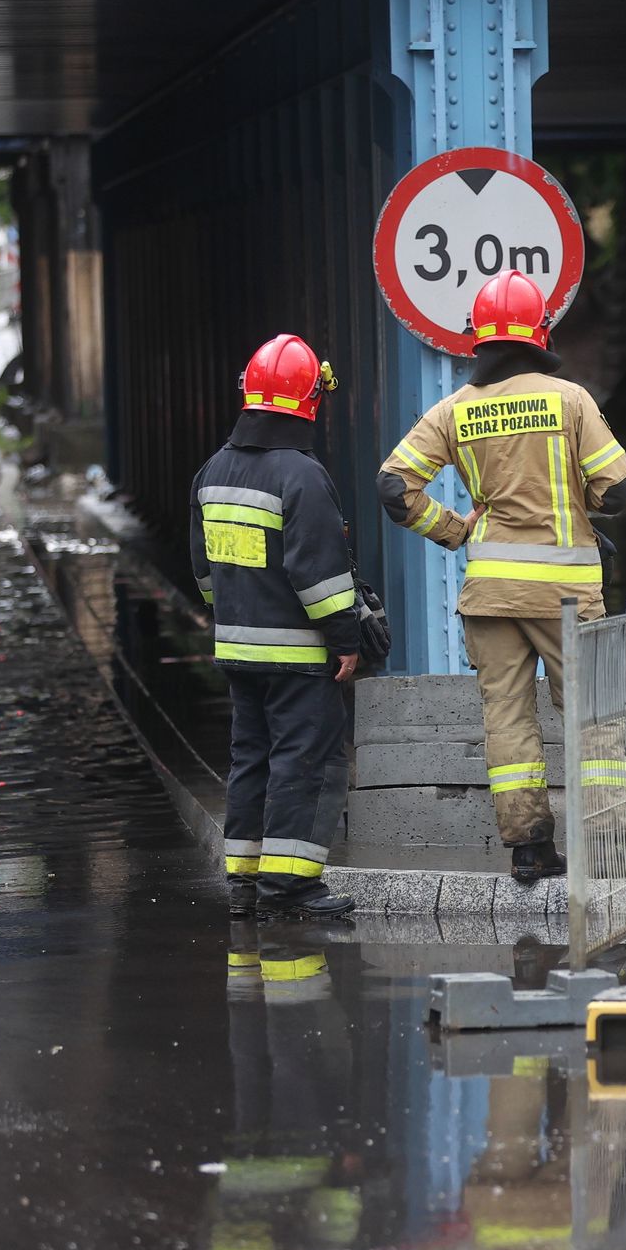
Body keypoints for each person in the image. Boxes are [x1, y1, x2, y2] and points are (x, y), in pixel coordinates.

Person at [377, 271, 626, 884]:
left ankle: (529, 850)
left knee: (508, 718)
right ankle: (607, 846)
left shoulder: (454, 410)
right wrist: (576, 502)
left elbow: (394, 486)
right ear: (538, 335)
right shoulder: (570, 400)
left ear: (481, 340)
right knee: (591, 714)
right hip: (566, 596)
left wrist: (455, 530)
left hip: (489, 592)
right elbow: (618, 490)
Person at [190, 334, 360, 919]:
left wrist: (234, 613)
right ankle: (290, 889)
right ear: (310, 399)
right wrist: (345, 637)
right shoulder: (302, 476)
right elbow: (318, 574)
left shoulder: (213, 470)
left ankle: (245, 884)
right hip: (298, 656)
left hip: (238, 650)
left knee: (250, 761)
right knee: (302, 764)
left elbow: (204, 570)